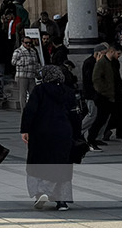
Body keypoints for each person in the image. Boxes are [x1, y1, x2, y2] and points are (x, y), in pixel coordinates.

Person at [20, 64, 81, 211]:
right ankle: (62, 201)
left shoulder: (40, 90)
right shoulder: (69, 92)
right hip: (64, 132)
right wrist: (77, 135)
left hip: (41, 132)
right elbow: (76, 114)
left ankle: (41, 191)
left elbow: (30, 110)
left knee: (38, 163)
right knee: (63, 165)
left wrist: (25, 130)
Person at [10, 36, 38, 110]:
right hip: (22, 76)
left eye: (30, 43)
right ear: (22, 43)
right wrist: (24, 62)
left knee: (33, 94)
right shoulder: (18, 51)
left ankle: (32, 110)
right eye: (26, 43)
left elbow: (36, 63)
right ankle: (24, 111)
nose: (28, 44)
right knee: (23, 95)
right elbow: (13, 62)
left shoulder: (33, 51)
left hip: (31, 75)